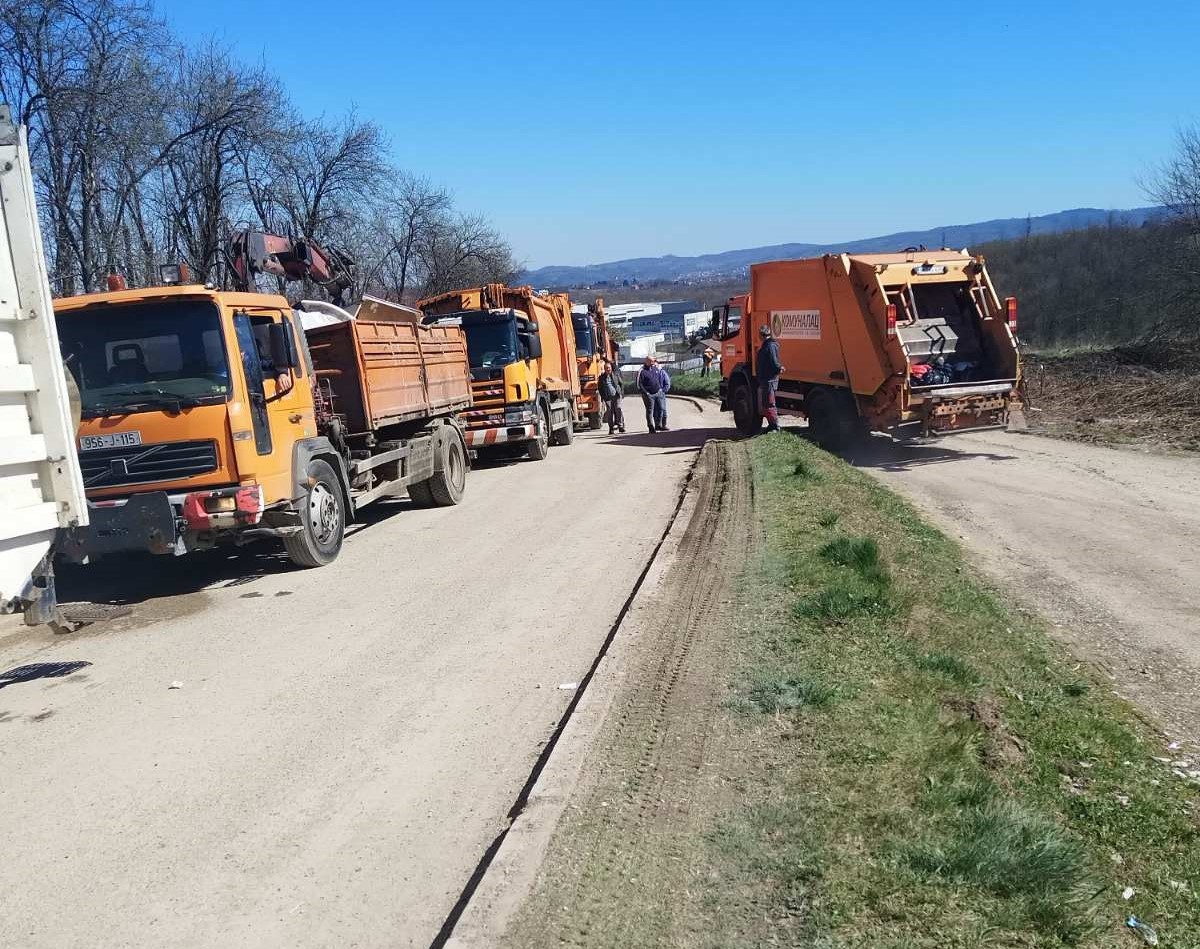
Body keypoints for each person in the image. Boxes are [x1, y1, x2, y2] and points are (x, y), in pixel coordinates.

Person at [756, 325, 783, 433]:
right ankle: (771, 425)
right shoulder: (768, 345)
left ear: (761, 335)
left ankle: (775, 426)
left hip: (769, 379)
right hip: (766, 378)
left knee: (770, 403)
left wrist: (778, 368)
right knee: (767, 403)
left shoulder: (770, 346)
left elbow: (773, 360)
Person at [636, 355, 671, 432]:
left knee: (661, 409)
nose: (653, 362)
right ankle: (651, 426)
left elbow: (658, 379)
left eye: (653, 361)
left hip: (658, 393)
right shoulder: (642, 371)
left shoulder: (655, 368)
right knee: (650, 411)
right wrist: (646, 393)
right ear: (646, 361)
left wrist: (660, 390)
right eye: (651, 361)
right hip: (649, 395)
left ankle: (658, 425)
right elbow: (639, 384)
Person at [597, 359, 625, 434]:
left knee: (618, 409)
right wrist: (603, 397)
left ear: (611, 368)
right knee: (610, 412)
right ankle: (611, 428)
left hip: (616, 396)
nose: (608, 369)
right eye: (606, 368)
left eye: (609, 368)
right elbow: (600, 388)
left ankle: (620, 426)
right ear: (604, 369)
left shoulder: (615, 375)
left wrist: (621, 393)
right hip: (608, 398)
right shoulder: (601, 377)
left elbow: (621, 383)